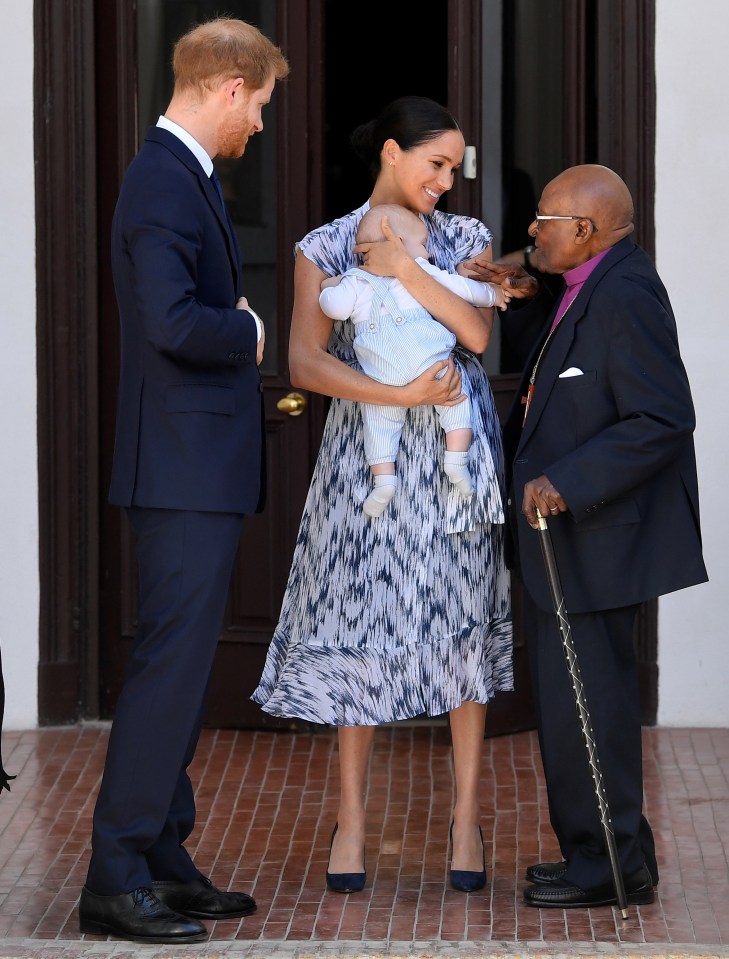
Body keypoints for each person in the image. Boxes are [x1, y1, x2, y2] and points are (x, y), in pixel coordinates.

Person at [252, 96, 513, 895]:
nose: (445, 180)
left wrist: (405, 271)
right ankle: (352, 818)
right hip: (366, 457)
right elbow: (302, 361)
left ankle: (466, 816)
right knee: (359, 619)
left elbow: (475, 337)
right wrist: (397, 399)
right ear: (392, 152)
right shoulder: (325, 245)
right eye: (435, 163)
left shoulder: (465, 238)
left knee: (461, 617)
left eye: (453, 167)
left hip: (455, 459)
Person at [78, 19, 288, 944]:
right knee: (167, 675)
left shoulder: (185, 177)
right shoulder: (163, 177)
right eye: (262, 108)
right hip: (180, 471)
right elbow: (168, 321)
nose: (261, 129)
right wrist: (246, 333)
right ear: (232, 87)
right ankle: (115, 876)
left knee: (184, 671)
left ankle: (161, 855)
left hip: (192, 468)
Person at [475, 164, 708, 909]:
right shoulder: (585, 281)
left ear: (585, 231)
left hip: (596, 538)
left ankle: (608, 864)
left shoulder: (626, 295)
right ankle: (603, 853)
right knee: (574, 704)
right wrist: (521, 280)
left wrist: (568, 480)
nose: (530, 231)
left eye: (543, 219)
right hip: (566, 546)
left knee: (592, 707)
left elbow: (663, 416)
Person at [319, 202, 510, 516]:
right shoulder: (424, 271)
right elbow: (465, 289)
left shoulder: (355, 281)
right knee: (456, 402)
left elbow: (334, 308)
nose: (430, 253)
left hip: (382, 375)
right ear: (398, 243)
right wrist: (495, 295)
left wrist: (329, 287)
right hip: (429, 362)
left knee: (378, 426)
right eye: (423, 244)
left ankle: (383, 484)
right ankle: (456, 461)